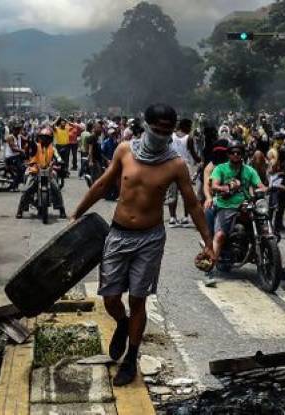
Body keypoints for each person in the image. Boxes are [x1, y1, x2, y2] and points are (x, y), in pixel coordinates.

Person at [70, 103, 214, 386]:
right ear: (146, 126)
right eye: (157, 129)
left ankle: (131, 358)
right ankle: (122, 324)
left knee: (138, 299)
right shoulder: (125, 150)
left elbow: (193, 204)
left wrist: (208, 242)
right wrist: (77, 213)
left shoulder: (175, 164)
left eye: (167, 131)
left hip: (150, 238)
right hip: (118, 234)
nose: (161, 135)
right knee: (111, 298)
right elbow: (102, 184)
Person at [205, 142, 265, 287]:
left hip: (246, 205)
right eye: (233, 152)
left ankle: (278, 267)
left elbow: (260, 185)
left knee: (266, 230)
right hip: (226, 206)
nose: (236, 155)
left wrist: (267, 189)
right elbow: (214, 185)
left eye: (239, 152)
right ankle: (209, 271)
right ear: (228, 154)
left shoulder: (249, 170)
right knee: (219, 236)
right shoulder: (220, 168)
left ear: (242, 154)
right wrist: (225, 188)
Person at [16, 127, 66, 219]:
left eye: (47, 138)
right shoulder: (36, 146)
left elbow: (57, 156)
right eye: (42, 137)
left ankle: (61, 210)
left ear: (50, 139)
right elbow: (32, 147)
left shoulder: (52, 148)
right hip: (35, 171)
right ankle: (20, 209)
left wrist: (60, 161)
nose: (44, 139)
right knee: (27, 190)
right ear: (39, 138)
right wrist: (30, 141)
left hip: (48, 171)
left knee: (56, 189)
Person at [167, 118, 201, 227]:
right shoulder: (188, 138)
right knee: (186, 193)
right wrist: (201, 161)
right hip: (184, 167)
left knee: (172, 193)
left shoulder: (171, 136)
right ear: (185, 126)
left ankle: (172, 218)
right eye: (189, 126)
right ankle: (185, 217)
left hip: (172, 165)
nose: (190, 128)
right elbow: (193, 154)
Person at [4, 124, 26, 191]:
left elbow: (26, 139)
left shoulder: (19, 136)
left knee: (26, 165)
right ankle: (14, 186)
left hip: (17, 156)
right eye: (16, 130)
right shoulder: (10, 137)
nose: (18, 131)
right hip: (11, 157)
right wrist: (22, 150)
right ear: (13, 130)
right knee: (20, 170)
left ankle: (22, 179)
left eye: (18, 130)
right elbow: (13, 148)